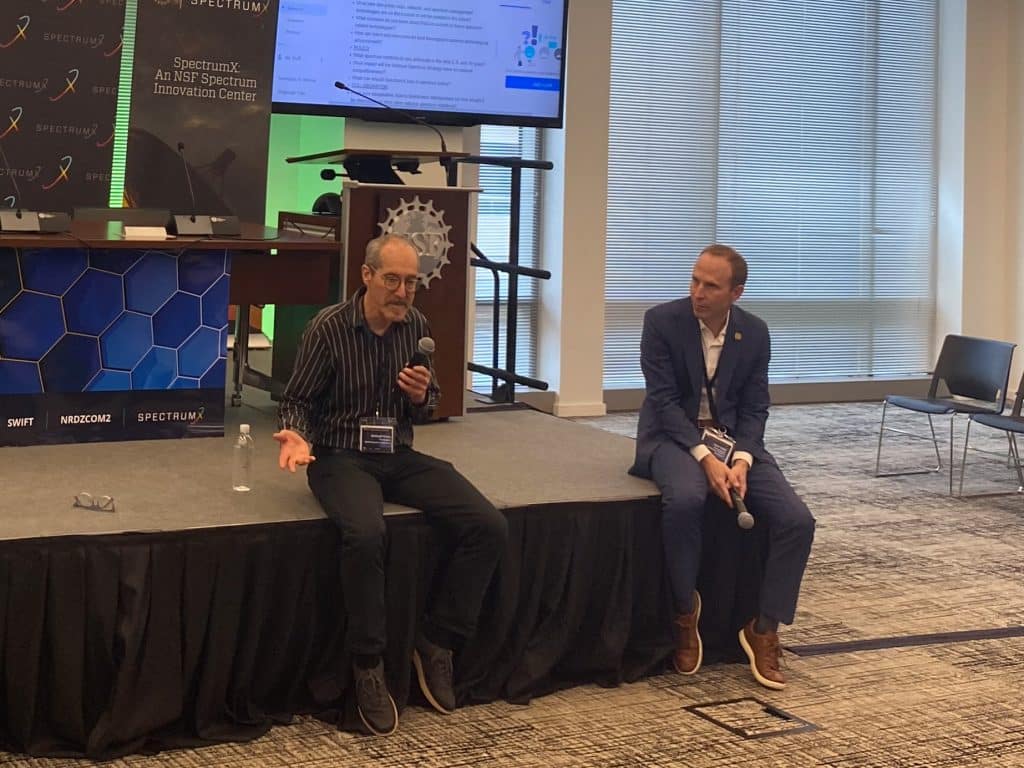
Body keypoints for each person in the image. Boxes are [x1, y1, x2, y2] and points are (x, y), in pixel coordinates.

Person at [274, 233, 508, 735]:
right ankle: (368, 665)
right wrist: (297, 437)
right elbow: (297, 401)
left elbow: (428, 404)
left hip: (396, 454)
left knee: (488, 525)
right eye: (392, 280)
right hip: (340, 456)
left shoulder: (417, 329)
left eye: (412, 283)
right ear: (366, 277)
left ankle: (437, 641)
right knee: (366, 533)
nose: (403, 292)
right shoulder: (330, 328)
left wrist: (424, 396)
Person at [629, 244, 815, 690]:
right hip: (672, 437)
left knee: (797, 520)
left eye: (710, 286)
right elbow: (664, 401)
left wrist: (744, 460)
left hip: (733, 439)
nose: (697, 292)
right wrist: (706, 457)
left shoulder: (754, 332)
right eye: (694, 280)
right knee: (687, 499)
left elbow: (755, 407)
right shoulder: (661, 322)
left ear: (736, 293)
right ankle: (684, 612)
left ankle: (764, 628)